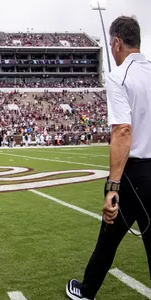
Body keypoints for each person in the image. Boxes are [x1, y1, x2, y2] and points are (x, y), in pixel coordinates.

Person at [66, 16, 151, 300]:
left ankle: (86, 291)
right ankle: (87, 288)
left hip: (134, 172)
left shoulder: (119, 77)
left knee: (108, 236)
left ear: (116, 42)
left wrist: (113, 186)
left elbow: (123, 131)